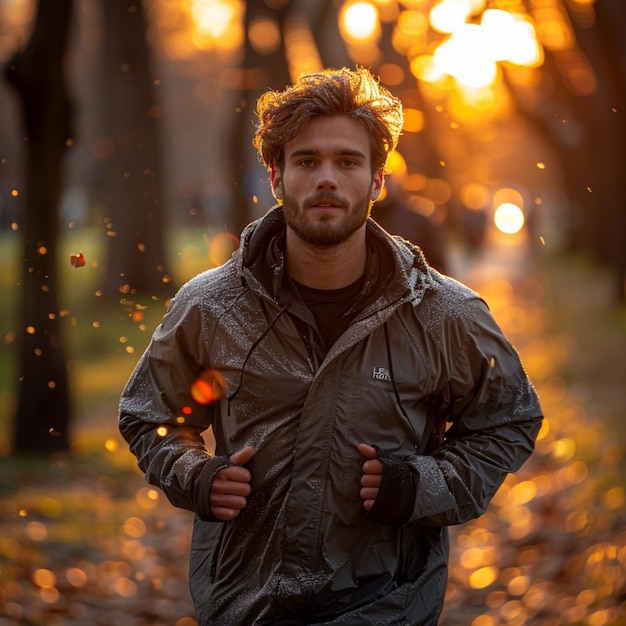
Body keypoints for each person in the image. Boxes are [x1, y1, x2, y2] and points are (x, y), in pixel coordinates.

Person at [119, 67, 543, 625]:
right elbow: (150, 415)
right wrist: (193, 475)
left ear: (377, 181)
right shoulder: (210, 307)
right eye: (306, 161)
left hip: (387, 605)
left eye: (347, 162)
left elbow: (508, 422)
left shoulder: (446, 315)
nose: (327, 179)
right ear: (275, 177)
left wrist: (423, 486)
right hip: (247, 603)